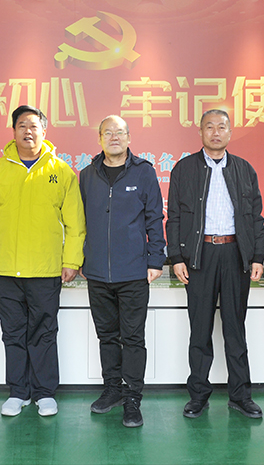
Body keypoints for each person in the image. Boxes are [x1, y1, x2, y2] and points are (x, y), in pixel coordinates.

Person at [0, 105, 86, 417]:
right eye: (22, 125)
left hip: (46, 269)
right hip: (5, 269)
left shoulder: (61, 172)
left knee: (44, 332)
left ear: (44, 131)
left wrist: (72, 260)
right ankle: (18, 392)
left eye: (34, 126)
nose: (28, 131)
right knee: (12, 332)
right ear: (13, 131)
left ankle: (45, 393)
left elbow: (75, 224)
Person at [166, 109, 264, 419]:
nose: (215, 132)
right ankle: (198, 396)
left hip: (236, 255)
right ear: (200, 132)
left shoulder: (244, 169)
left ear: (230, 133)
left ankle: (241, 396)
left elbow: (256, 218)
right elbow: (174, 217)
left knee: (236, 329)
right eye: (209, 127)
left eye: (222, 127)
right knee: (200, 331)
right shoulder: (184, 169)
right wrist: (176, 257)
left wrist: (257, 256)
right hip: (200, 256)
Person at [79, 115, 166, 428]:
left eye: (120, 132)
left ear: (129, 138)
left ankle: (132, 398)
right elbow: (79, 221)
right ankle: (112, 390)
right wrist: (80, 260)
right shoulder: (87, 175)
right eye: (108, 132)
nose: (114, 137)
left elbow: (154, 217)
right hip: (97, 273)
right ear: (99, 138)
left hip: (133, 272)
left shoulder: (143, 172)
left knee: (133, 338)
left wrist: (156, 260)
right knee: (106, 336)